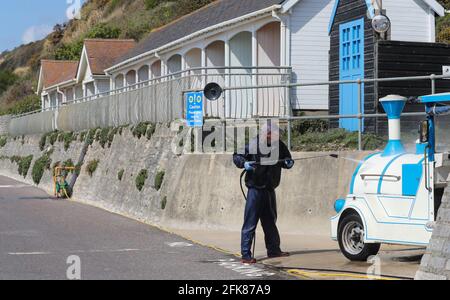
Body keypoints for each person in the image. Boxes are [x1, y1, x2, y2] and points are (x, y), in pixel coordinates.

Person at [233, 123, 294, 264]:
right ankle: (246, 254)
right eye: (274, 134)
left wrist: (288, 163)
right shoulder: (253, 144)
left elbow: (286, 159)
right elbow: (237, 156)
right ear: (266, 134)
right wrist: (244, 164)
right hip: (255, 189)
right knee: (250, 223)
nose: (277, 137)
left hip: (269, 189)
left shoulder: (279, 145)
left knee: (270, 222)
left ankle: (274, 250)